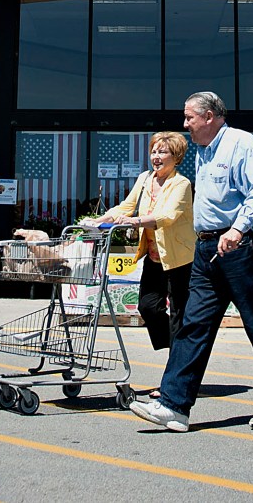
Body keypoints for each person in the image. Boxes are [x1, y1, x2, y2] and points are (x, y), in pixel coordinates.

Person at [129, 92, 253, 433]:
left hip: (239, 246)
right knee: (193, 324)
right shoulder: (204, 153)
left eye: (189, 117)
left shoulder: (241, 144)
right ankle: (173, 406)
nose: (185, 124)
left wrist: (237, 230)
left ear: (209, 117)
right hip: (206, 249)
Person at [99, 131, 195, 352]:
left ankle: (177, 368)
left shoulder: (182, 183)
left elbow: (167, 216)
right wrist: (98, 220)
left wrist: (136, 222)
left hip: (179, 258)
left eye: (162, 152)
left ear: (176, 156)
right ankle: (179, 351)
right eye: (153, 151)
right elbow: (126, 206)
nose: (156, 156)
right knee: (148, 306)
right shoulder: (144, 179)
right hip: (154, 256)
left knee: (179, 315)